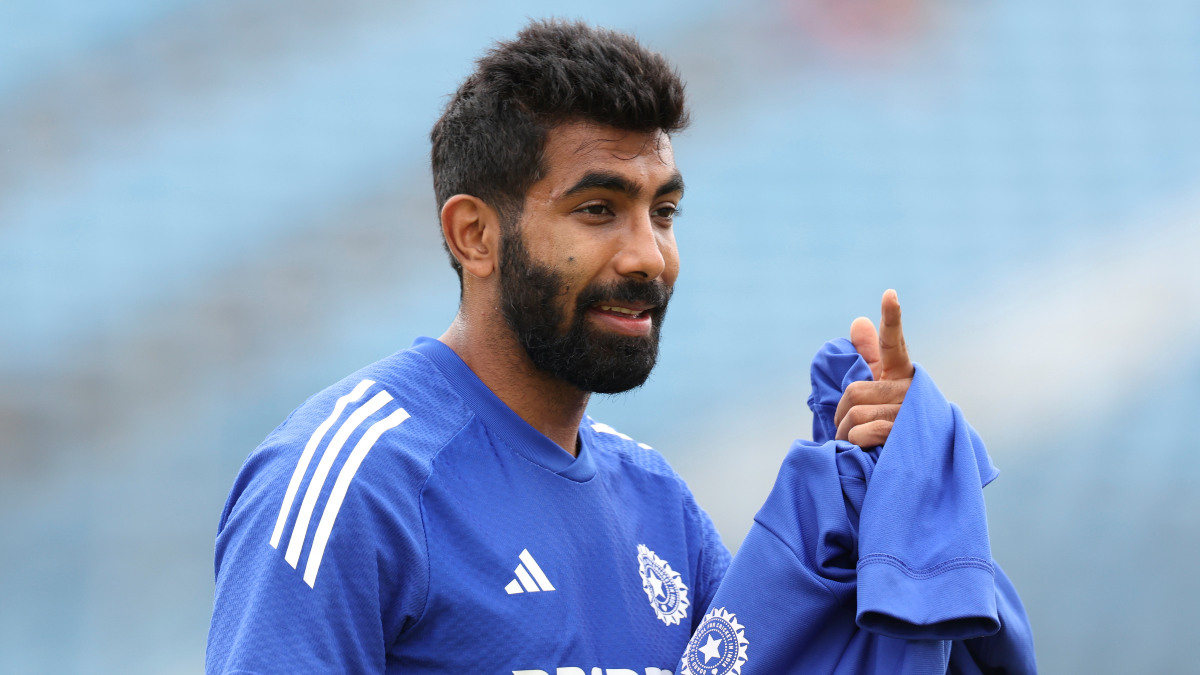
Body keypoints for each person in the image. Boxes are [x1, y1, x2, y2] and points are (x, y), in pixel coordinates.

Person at [206, 19, 1034, 674]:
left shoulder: (659, 503)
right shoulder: (353, 480)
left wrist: (887, 474)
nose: (648, 255)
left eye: (663, 211)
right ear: (475, 235)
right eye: (599, 209)